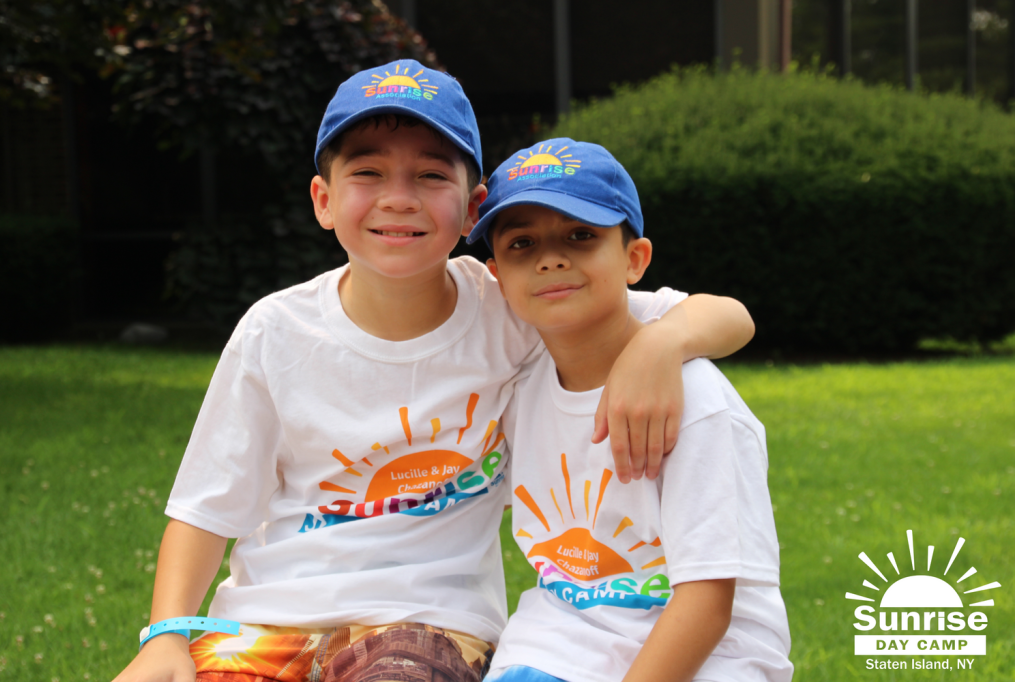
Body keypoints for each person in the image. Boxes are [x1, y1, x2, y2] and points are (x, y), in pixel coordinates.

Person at [112, 62, 756, 682]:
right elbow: (205, 508)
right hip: (265, 621)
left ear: (473, 209)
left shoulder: (512, 304)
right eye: (367, 171)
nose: (398, 198)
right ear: (323, 199)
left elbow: (726, 315)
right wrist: (165, 634)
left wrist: (659, 345)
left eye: (428, 175)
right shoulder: (275, 331)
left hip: (427, 624)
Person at [474, 139, 792, 682]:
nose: (551, 258)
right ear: (498, 277)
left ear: (634, 259)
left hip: (711, 655)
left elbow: (707, 605)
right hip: (563, 639)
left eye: (582, 235)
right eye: (522, 243)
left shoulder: (698, 403)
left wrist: (660, 344)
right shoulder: (517, 389)